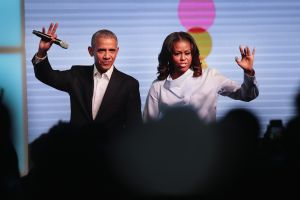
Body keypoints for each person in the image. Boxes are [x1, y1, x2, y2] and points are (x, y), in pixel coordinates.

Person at [32, 23, 142, 132]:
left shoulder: (129, 84)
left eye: (111, 50)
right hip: (79, 147)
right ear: (90, 51)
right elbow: (47, 76)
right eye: (101, 50)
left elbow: (134, 127)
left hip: (113, 149)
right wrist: (42, 51)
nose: (107, 56)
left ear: (117, 51)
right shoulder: (76, 75)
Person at [143, 31, 259, 122]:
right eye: (177, 54)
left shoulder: (210, 76)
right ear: (168, 55)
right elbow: (148, 125)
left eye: (187, 53)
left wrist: (249, 72)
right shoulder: (158, 86)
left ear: (193, 54)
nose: (183, 58)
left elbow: (247, 95)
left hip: (206, 148)